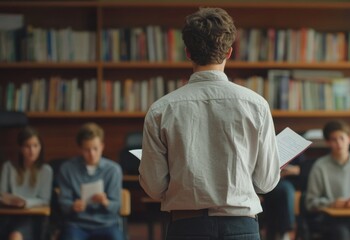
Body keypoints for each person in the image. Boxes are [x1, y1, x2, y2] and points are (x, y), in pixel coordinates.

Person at [139, 7, 281, 240]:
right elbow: (266, 182)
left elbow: (154, 187)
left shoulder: (161, 109)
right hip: (241, 226)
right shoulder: (256, 105)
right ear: (229, 52)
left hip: (186, 226)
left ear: (187, 52)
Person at [305, 120, 350, 240]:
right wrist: (332, 203)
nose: (339, 143)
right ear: (328, 142)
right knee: (340, 232)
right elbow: (310, 202)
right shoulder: (320, 166)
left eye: (342, 138)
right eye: (334, 139)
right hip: (332, 219)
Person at [57, 122, 123, 240]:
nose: (92, 154)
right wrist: (72, 206)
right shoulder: (67, 169)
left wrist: (105, 202)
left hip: (106, 224)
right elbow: (63, 202)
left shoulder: (113, 170)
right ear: (80, 149)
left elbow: (117, 206)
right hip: (77, 224)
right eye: (87, 150)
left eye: (95, 148)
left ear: (102, 146)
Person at [0, 126, 53, 240]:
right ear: (20, 148)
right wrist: (8, 200)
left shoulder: (46, 170)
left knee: (16, 236)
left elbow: (45, 200)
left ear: (40, 147)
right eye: (27, 146)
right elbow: (2, 194)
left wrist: (25, 203)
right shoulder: (8, 167)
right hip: (9, 215)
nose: (32, 151)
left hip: (32, 216)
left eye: (35, 146)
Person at [263, 164, 300, 240]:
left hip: (291, 182)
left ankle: (285, 231)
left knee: (287, 190)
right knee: (285, 190)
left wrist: (289, 170)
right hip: (272, 181)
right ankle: (286, 230)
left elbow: (300, 169)